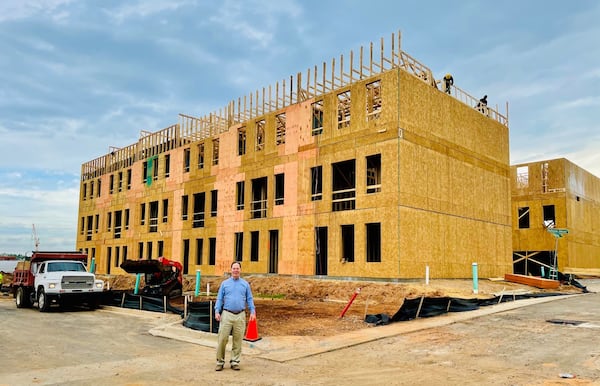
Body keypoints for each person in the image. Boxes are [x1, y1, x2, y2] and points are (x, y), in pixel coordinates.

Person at [214, 261, 256, 371]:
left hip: (240, 315)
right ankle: (220, 361)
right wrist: (217, 311)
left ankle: (235, 361)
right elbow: (219, 298)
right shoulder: (225, 284)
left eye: (237, 268)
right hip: (227, 314)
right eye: (234, 268)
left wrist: (252, 311)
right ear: (231, 270)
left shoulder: (245, 284)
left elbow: (249, 299)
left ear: (240, 270)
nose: (236, 270)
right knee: (222, 339)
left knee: (238, 340)